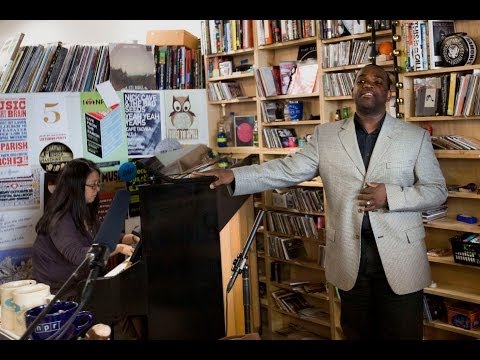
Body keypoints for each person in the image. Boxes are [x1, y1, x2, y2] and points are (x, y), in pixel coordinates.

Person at [195, 64, 448, 340]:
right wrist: (234, 175)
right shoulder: (326, 136)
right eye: (361, 80)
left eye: (377, 81)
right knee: (357, 334)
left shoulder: (415, 137)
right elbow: (288, 170)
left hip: (402, 257)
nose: (368, 85)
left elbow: (436, 191)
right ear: (353, 90)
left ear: (388, 93)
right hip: (351, 258)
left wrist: (391, 195)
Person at [32, 158, 139, 300]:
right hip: (59, 294)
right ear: (76, 187)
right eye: (93, 185)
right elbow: (77, 256)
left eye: (98, 184)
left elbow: (105, 236)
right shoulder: (60, 219)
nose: (98, 189)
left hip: (81, 284)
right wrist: (118, 248)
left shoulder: (84, 211)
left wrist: (132, 238)